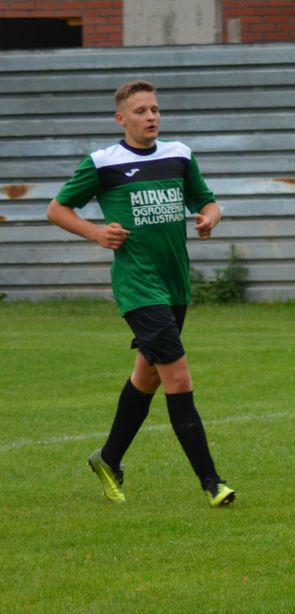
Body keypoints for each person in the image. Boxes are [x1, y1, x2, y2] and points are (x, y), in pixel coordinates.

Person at [45, 79, 236, 507]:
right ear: (121, 118)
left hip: (175, 284)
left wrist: (210, 219)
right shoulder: (103, 162)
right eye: (141, 111)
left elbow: (208, 203)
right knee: (179, 376)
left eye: (155, 109)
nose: (151, 117)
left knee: (147, 376)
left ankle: (108, 459)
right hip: (138, 286)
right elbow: (57, 209)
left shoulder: (179, 155)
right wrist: (97, 233)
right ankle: (212, 482)